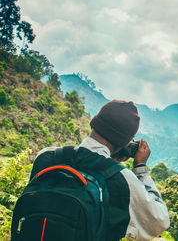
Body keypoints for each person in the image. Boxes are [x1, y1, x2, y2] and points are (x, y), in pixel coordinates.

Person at [29, 100, 170, 241]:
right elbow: (160, 221)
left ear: (95, 125)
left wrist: (112, 159)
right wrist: (140, 168)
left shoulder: (47, 157)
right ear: (125, 142)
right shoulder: (119, 178)